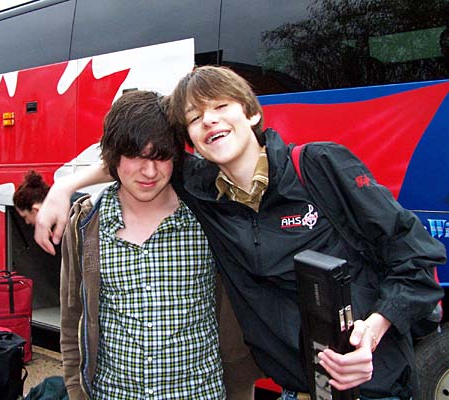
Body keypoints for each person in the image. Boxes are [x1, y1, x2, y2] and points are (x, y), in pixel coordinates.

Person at [35, 66, 446, 400]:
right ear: (192, 141)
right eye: (195, 118)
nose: (208, 119)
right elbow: (134, 157)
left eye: (220, 106)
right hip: (298, 388)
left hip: (373, 387)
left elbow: (416, 257)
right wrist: (63, 186)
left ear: (250, 112)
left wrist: (374, 330)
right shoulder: (204, 194)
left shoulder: (319, 166)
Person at [60, 90, 225, 399]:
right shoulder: (85, 225)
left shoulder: (209, 216)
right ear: (112, 155)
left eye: (161, 157)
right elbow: (72, 320)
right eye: (136, 156)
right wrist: (76, 391)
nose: (149, 172)